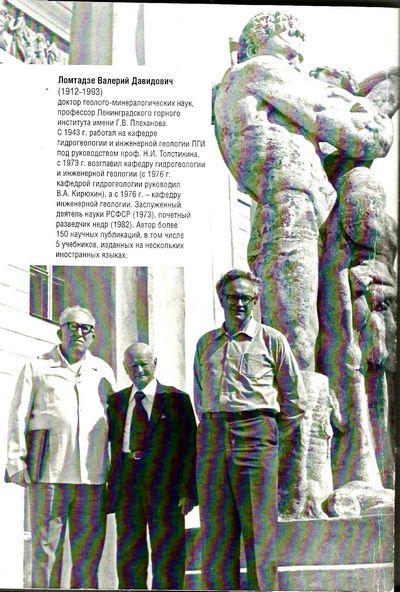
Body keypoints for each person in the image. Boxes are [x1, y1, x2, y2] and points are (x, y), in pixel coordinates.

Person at [213, 11, 393, 372]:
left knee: (312, 327)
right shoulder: (259, 68)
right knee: (297, 332)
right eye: (288, 46)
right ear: (255, 44)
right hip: (291, 204)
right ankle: (301, 403)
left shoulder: (255, 84)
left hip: (298, 205)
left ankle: (313, 397)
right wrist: (376, 126)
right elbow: (327, 115)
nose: (296, 58)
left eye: (299, 52)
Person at [194, 268, 307, 591]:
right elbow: (200, 396)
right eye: (232, 297)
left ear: (256, 301)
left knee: (258, 530)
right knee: (215, 530)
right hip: (214, 435)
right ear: (221, 299)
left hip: (256, 435)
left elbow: (295, 401)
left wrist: (268, 436)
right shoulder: (206, 344)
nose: (239, 304)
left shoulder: (272, 340)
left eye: (246, 298)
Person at [6, 305, 116, 588]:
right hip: (49, 476)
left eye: (85, 328)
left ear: (93, 336)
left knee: (88, 554)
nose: (79, 332)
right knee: (45, 552)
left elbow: (115, 422)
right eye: (72, 326)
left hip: (91, 478)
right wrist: (16, 461)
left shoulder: (103, 371)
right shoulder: (37, 367)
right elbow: (18, 415)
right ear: (60, 332)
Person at [107, 342, 197, 590]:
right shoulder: (116, 402)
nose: (138, 370)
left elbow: (190, 447)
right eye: (132, 365)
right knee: (129, 556)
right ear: (125, 368)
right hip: (128, 483)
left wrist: (188, 491)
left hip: (166, 485)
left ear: (154, 363)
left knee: (168, 555)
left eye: (143, 364)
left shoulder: (176, 399)